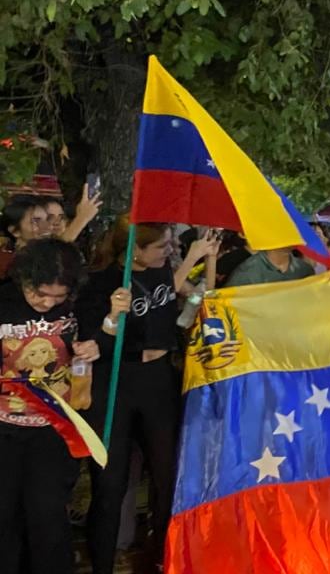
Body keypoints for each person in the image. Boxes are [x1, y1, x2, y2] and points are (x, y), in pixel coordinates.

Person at [80, 218, 218, 573]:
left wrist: (206, 259)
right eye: (161, 246)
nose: (169, 251)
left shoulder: (164, 270)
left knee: (166, 473)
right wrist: (112, 314)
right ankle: (102, 560)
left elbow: (190, 298)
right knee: (111, 481)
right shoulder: (102, 281)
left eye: (171, 244)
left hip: (158, 378)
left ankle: (162, 556)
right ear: (134, 252)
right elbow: (95, 339)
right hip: (117, 378)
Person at [0, 239, 105, 574]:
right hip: (4, 427)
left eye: (58, 298)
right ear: (24, 280)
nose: (47, 303)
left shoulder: (79, 304)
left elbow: (98, 338)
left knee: (48, 516)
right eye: (39, 294)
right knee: (4, 515)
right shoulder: (3, 300)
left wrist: (94, 347)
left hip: (55, 429)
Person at [0, 195, 52, 279]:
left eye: (47, 220)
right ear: (15, 231)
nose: (47, 227)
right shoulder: (5, 262)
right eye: (35, 221)